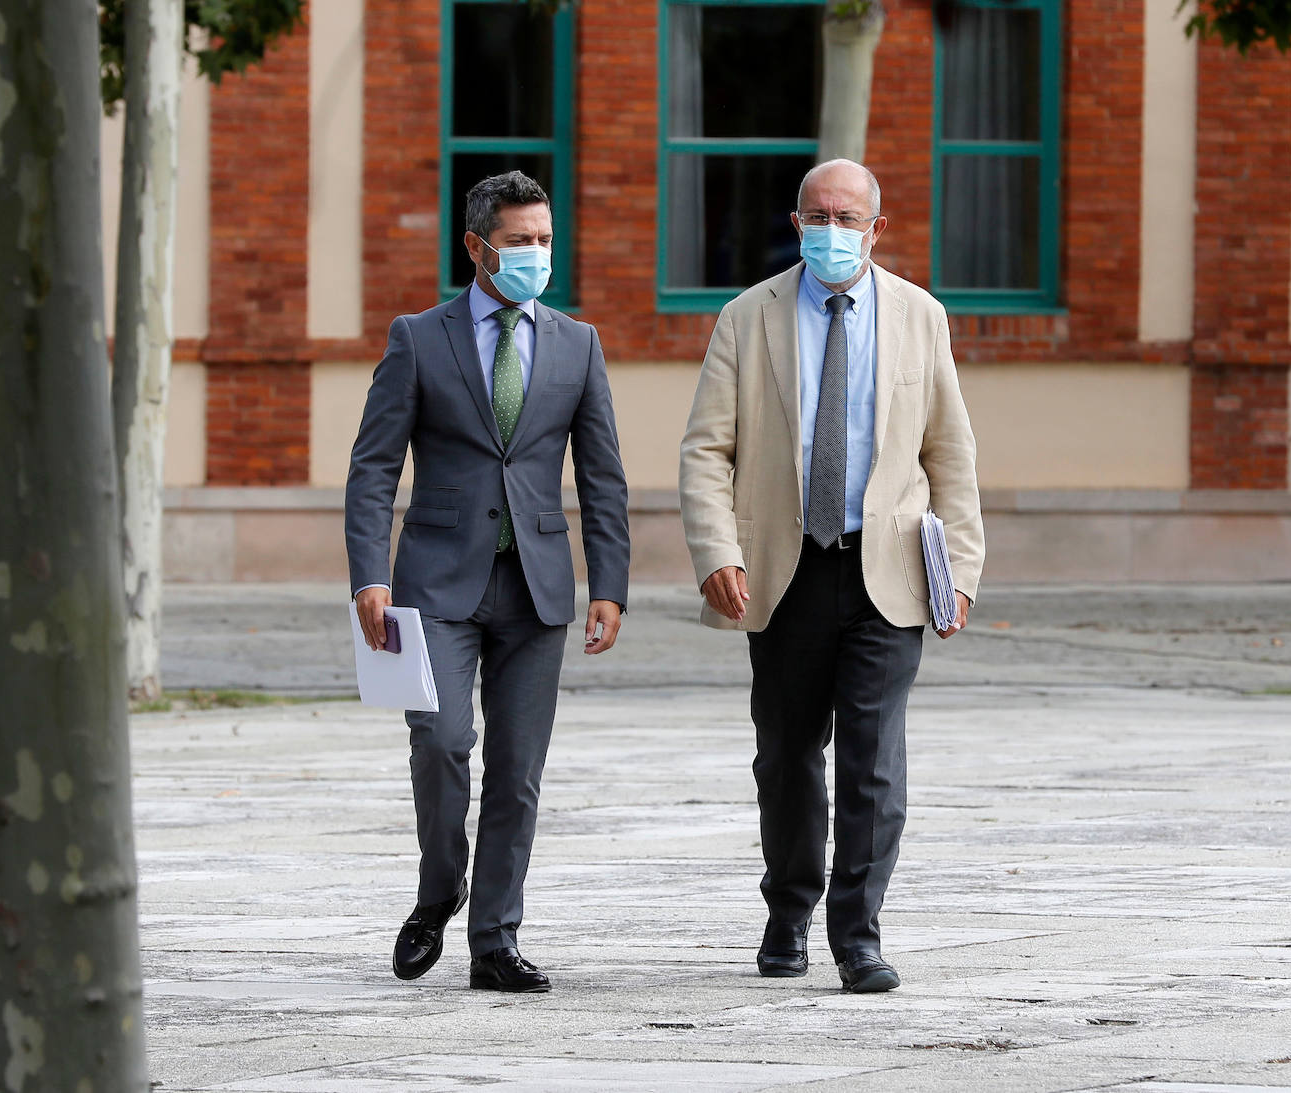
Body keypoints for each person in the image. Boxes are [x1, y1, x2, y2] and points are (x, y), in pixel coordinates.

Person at [678, 158, 984, 993]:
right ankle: (789, 909)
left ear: (877, 229)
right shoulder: (749, 317)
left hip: (888, 569)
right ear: (796, 222)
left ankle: (858, 932)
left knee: (873, 758)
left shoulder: (920, 316)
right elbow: (707, 449)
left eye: (848, 217)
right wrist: (718, 553)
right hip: (785, 570)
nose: (831, 230)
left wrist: (959, 566)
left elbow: (949, 454)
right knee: (786, 753)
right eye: (818, 215)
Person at [346, 171, 629, 994]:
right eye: (519, 241)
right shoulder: (417, 337)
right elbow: (372, 469)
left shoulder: (578, 344)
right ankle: (440, 889)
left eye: (544, 239)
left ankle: (495, 939)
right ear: (476, 246)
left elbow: (603, 476)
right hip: (433, 583)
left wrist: (608, 582)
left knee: (518, 769)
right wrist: (368, 571)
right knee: (440, 743)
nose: (535, 253)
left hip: (538, 584)